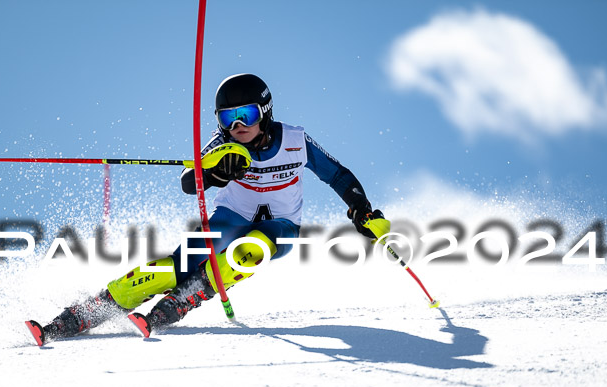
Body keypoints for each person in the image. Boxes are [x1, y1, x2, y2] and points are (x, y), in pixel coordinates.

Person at [25, 73, 388, 346]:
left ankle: (184, 302)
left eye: (245, 115)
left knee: (251, 250)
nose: (238, 126)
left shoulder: (295, 140)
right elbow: (189, 179)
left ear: (265, 111)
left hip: (281, 227)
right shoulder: (222, 144)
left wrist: (361, 208)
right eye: (228, 118)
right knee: (175, 268)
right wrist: (213, 173)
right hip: (229, 218)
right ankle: (81, 315)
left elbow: (337, 175)